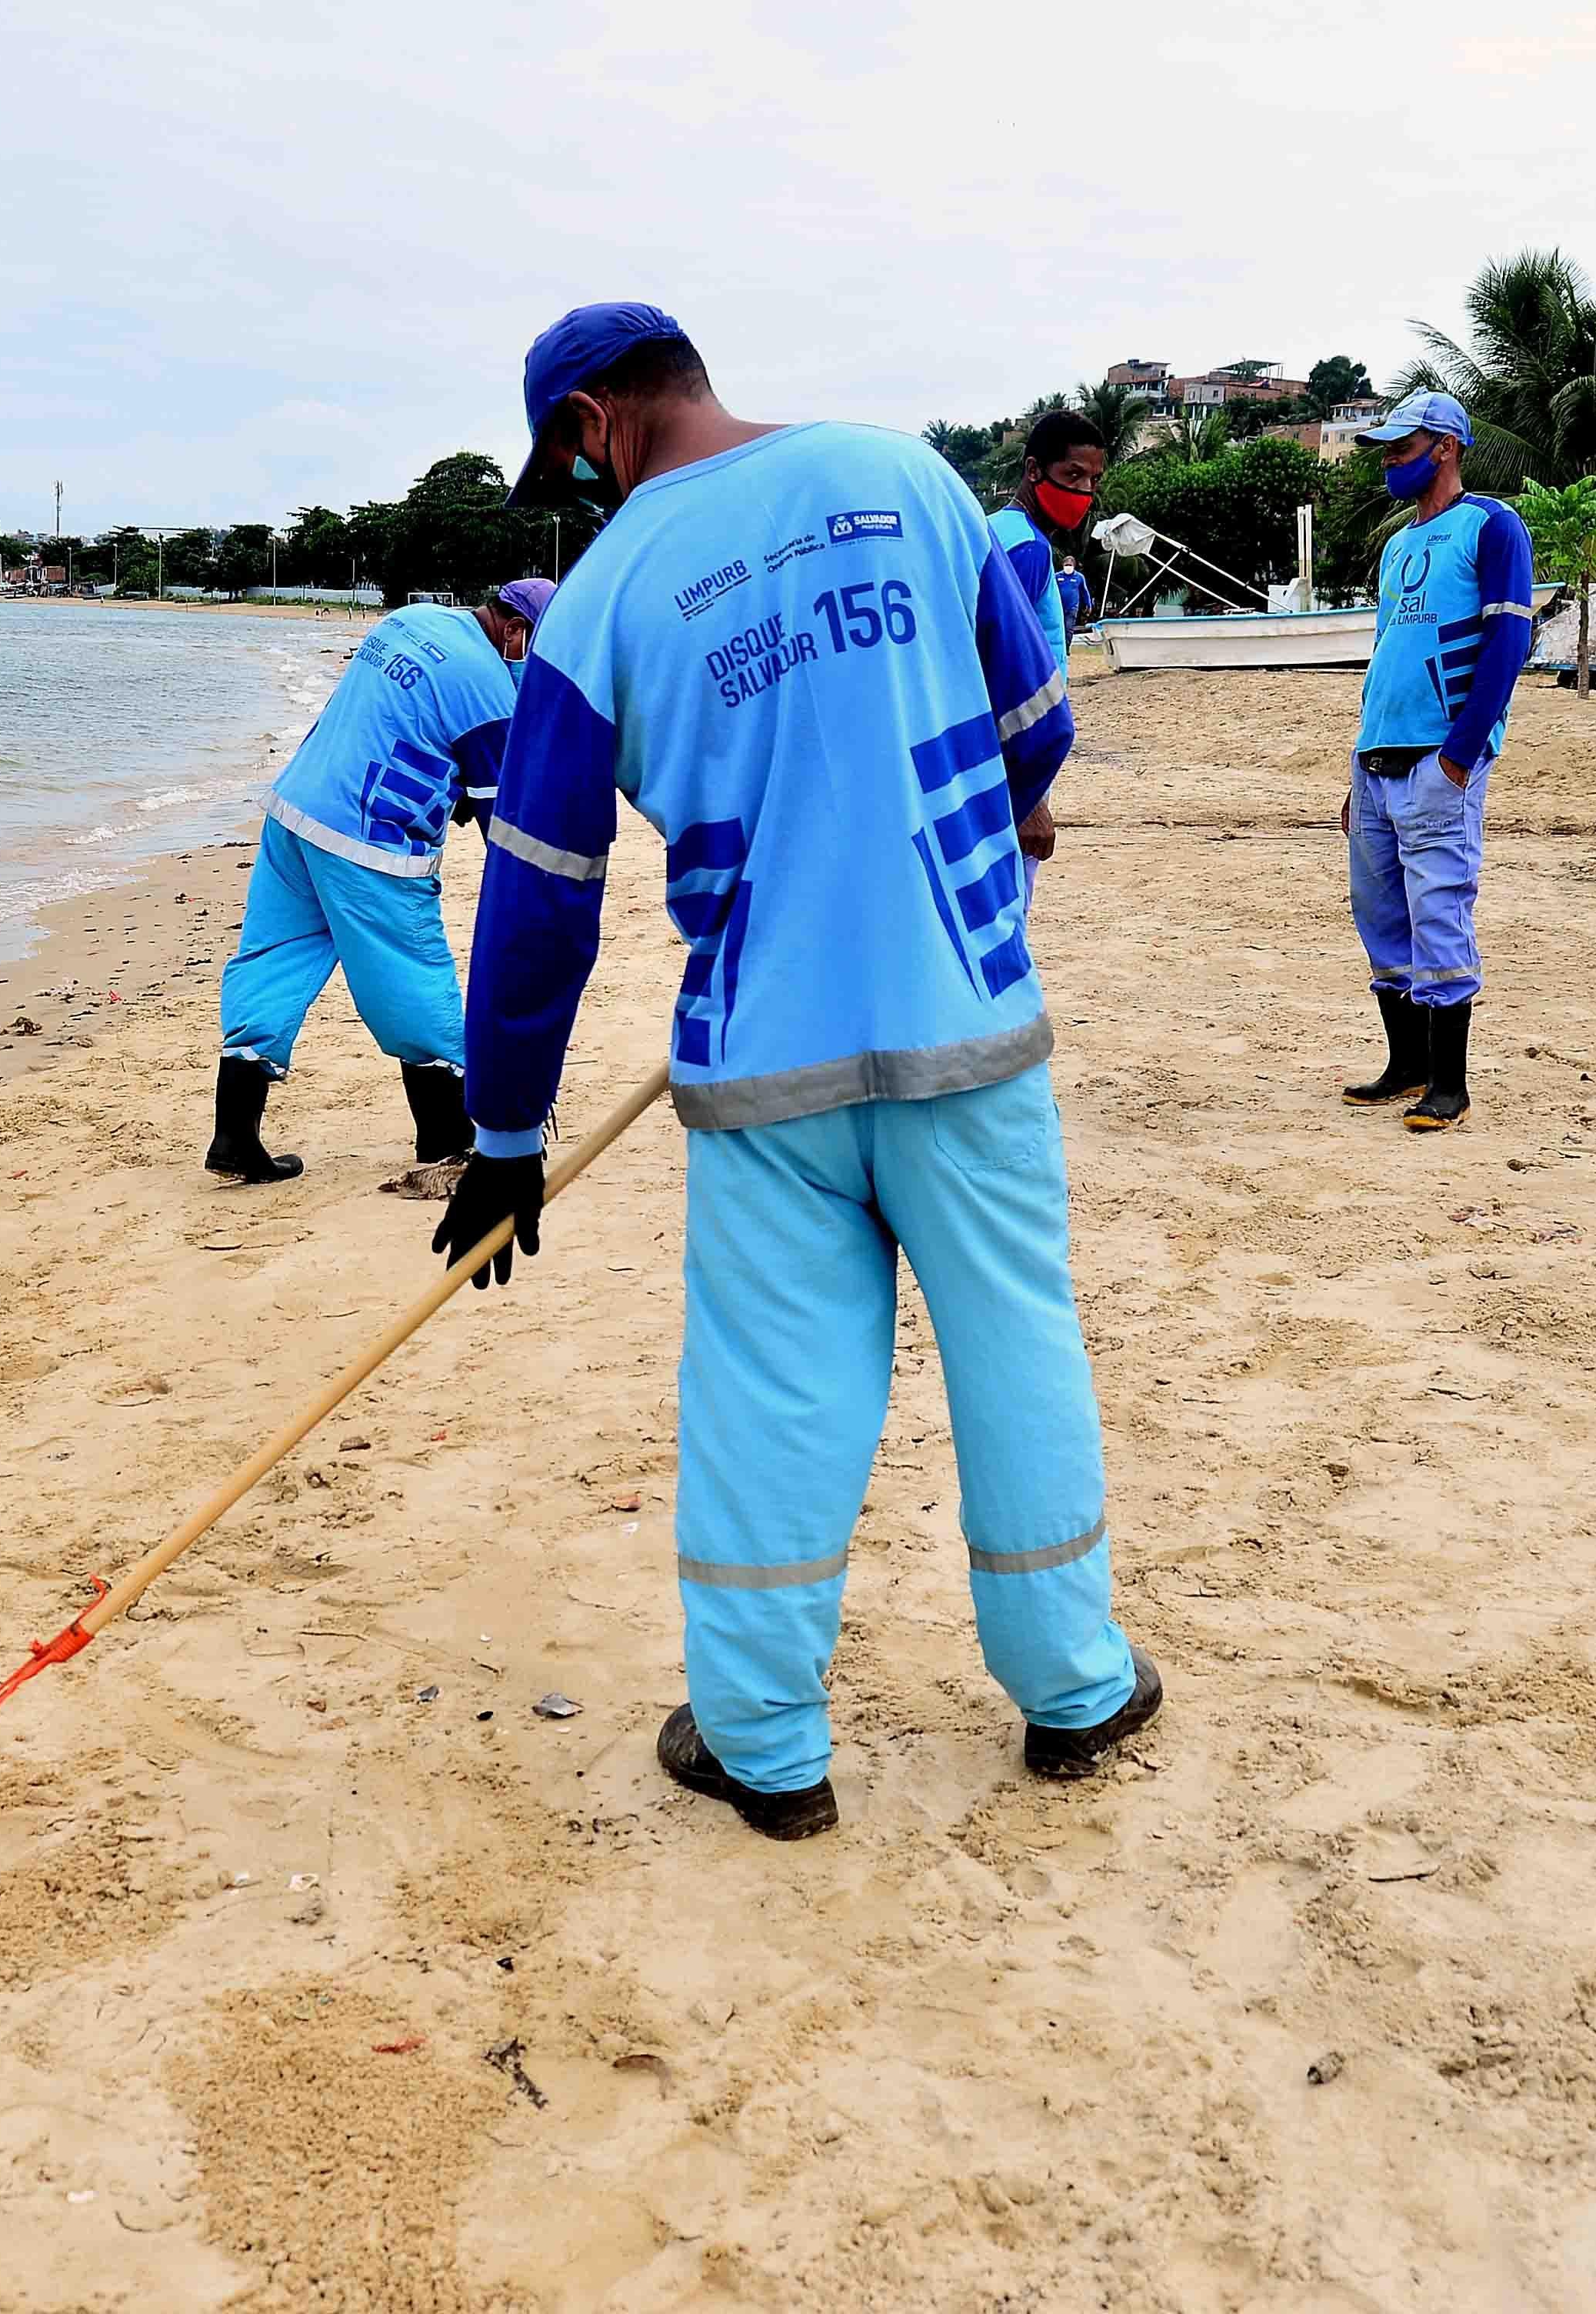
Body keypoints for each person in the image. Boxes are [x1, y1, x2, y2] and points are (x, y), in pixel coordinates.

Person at [435, 301, 1155, 1840]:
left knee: (777, 1392)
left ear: (590, 423)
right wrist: (1003, 819)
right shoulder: (912, 480)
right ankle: (1077, 1689)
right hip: (967, 1020)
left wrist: (505, 1133)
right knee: (1016, 1344)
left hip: (764, 1066)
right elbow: (1038, 727)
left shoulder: (599, 595)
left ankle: (765, 1747)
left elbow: (539, 895)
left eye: (569, 459)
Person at [205, 578, 548, 1183]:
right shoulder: (490, 685)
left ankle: (234, 1138)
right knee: (412, 975)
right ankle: (445, 1139)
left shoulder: (411, 620)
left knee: (272, 961)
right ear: (516, 630)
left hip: (296, 811)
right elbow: (503, 820)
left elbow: (402, 724)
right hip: (370, 841)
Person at [1336, 390, 1534, 1131]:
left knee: (1439, 913)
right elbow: (1385, 655)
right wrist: (1354, 761)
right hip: (1377, 759)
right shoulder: (1396, 546)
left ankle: (1449, 1085)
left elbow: (1507, 644)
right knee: (1380, 916)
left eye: (1400, 449)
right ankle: (1406, 1064)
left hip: (1437, 760)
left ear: (1444, 448)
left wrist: (1460, 756)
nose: (1389, 462)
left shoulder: (1491, 526)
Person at [991, 409, 1106, 679]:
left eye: (1094, 480)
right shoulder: (1030, 548)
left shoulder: (994, 526)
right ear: (1034, 470)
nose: (1086, 490)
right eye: (1073, 475)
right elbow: (1006, 657)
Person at [1055, 555, 1091, 657]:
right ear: (1063, 565)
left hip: (1072, 607)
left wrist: (1089, 605)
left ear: (1074, 566)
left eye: (1070, 565)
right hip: (1059, 607)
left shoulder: (1079, 577)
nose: (1068, 567)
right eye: (1066, 565)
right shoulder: (1056, 576)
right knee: (1059, 628)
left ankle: (1067, 648)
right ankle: (1059, 648)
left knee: (1069, 629)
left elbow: (1085, 592)